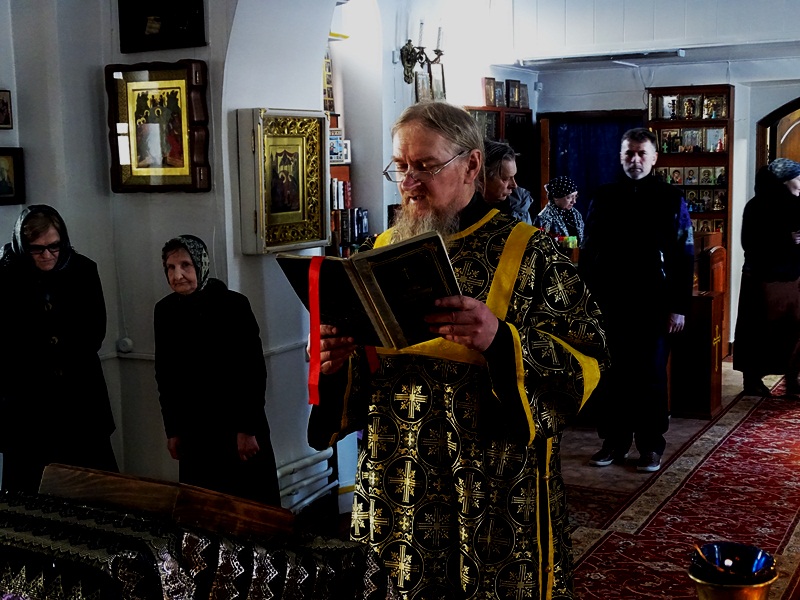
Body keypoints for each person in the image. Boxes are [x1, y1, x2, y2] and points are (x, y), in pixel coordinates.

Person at [308, 101, 610, 598]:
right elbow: (370, 374)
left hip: (491, 484)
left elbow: (590, 358)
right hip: (397, 477)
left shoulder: (530, 252)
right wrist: (336, 361)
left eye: (425, 166)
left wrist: (501, 340)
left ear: (471, 165)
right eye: (400, 167)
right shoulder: (379, 251)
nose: (409, 182)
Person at [579, 127, 694, 473]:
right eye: (629, 152)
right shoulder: (604, 197)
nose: (635, 159)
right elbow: (589, 252)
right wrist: (585, 303)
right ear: (620, 156)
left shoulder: (670, 199)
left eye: (642, 153)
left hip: (654, 303)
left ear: (654, 158)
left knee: (650, 376)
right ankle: (613, 442)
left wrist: (679, 307)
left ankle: (650, 445)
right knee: (611, 375)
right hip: (610, 302)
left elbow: (684, 255)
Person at [154, 234, 280, 505]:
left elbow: (252, 372)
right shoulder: (165, 311)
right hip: (194, 431)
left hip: (235, 426)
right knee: (203, 507)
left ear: (201, 264)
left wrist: (247, 429)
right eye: (170, 267)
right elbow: (165, 376)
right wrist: (172, 430)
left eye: (186, 265)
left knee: (248, 505)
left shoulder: (232, 305)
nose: (177, 275)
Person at [0, 204, 118, 492]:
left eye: (54, 246)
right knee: (32, 488)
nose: (47, 255)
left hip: (80, 396)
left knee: (92, 486)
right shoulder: (5, 275)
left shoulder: (82, 270)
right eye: (37, 249)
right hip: (27, 401)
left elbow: (94, 332)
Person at [733, 158, 800, 396]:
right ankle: (755, 379)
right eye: (797, 178)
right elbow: (750, 243)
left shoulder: (794, 204)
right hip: (764, 278)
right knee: (760, 331)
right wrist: (787, 240)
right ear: (784, 181)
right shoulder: (759, 206)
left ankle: (790, 378)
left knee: (789, 331)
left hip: (788, 276)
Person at [480, 139, 534, 224]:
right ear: (483, 177)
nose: (514, 185)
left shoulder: (519, 207)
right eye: (505, 179)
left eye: (513, 177)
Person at [533, 175, 586, 245]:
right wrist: (574, 242)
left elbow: (582, 239)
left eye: (575, 196)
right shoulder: (543, 218)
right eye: (569, 197)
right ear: (556, 198)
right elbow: (543, 244)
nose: (574, 201)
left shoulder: (576, 214)